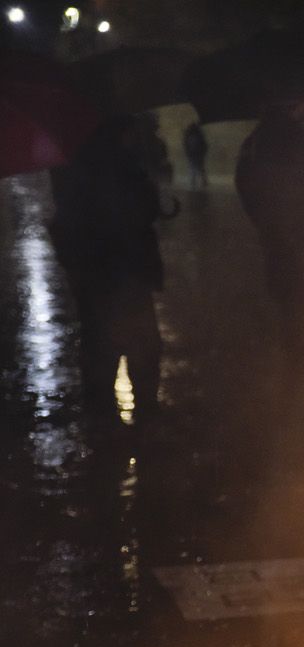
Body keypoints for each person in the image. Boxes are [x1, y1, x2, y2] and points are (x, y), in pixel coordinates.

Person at [48, 116, 165, 435]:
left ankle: (102, 422)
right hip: (128, 274)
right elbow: (142, 212)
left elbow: (64, 228)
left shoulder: (71, 171)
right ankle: (145, 418)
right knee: (141, 348)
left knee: (100, 349)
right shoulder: (125, 169)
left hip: (93, 279)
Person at [235, 96, 304, 431]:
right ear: (295, 104)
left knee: (290, 330)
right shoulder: (301, 143)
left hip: (277, 251)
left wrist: (270, 228)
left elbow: (247, 193)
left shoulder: (252, 145)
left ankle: (291, 404)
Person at [182, 121, 208, 190]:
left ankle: (194, 181)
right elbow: (204, 145)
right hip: (198, 154)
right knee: (200, 167)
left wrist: (187, 153)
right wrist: (203, 153)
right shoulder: (199, 135)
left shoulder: (188, 135)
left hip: (192, 154)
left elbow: (186, 145)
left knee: (193, 168)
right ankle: (202, 181)